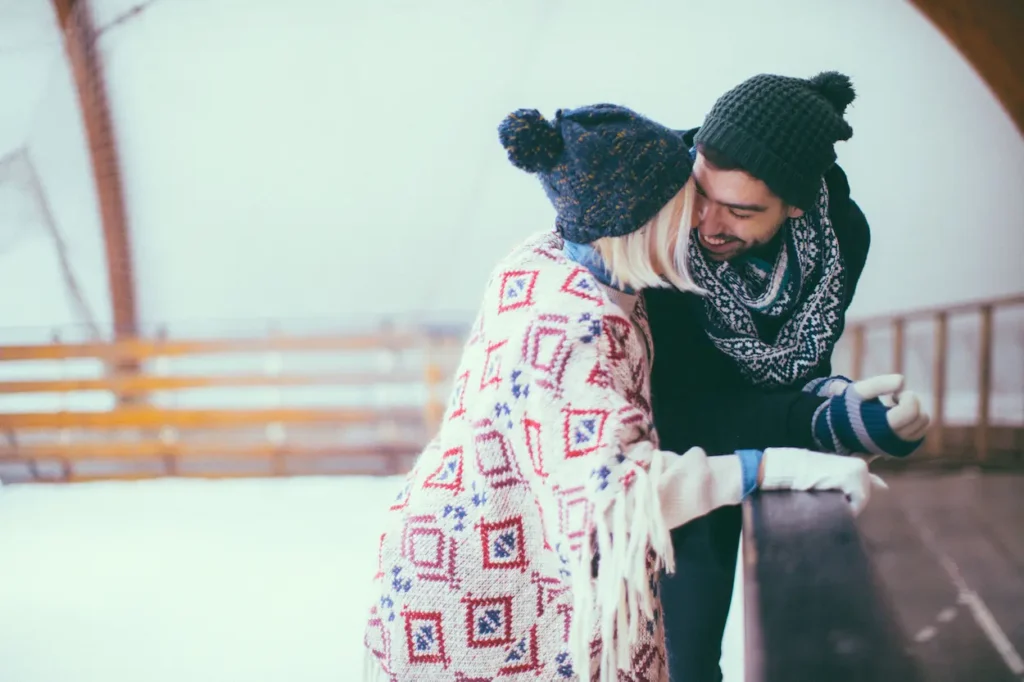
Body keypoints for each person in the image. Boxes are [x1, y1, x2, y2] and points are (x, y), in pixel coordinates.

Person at [361, 103, 886, 682]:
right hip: (480, 591)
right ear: (650, 222)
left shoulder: (555, 259)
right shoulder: (580, 326)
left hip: (473, 554)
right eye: (690, 210)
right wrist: (765, 469)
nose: (702, 229)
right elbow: (620, 499)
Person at [643, 72, 931, 680]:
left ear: (797, 203)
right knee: (680, 658)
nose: (708, 225)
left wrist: (838, 404)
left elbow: (797, 369)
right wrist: (823, 423)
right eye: (704, 194)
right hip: (658, 460)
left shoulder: (839, 239)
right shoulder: (657, 218)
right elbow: (679, 412)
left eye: (742, 211)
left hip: (747, 438)